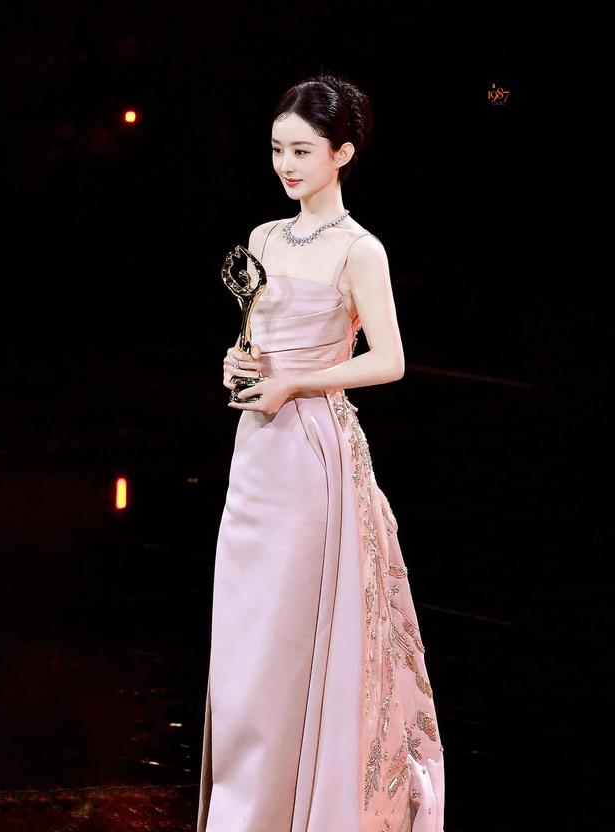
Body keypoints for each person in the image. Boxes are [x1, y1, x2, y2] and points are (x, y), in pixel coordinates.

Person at [197, 72, 445, 832]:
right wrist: (240, 366)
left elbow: (389, 360)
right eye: (278, 149)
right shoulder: (264, 239)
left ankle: (309, 802)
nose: (287, 165)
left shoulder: (359, 250)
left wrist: (297, 383)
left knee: (296, 628)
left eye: (303, 150)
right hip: (256, 451)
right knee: (247, 632)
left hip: (313, 452)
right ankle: (249, 804)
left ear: (343, 153)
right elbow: (256, 343)